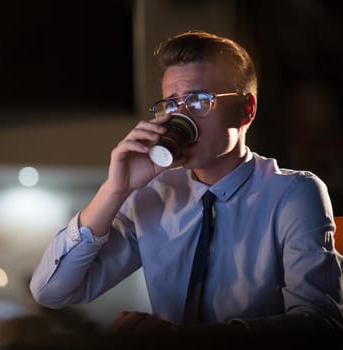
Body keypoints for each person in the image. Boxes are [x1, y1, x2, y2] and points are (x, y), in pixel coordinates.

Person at [29, 30, 343, 337]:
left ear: (246, 111)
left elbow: (321, 324)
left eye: (198, 102)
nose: (182, 118)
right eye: (171, 104)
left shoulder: (293, 194)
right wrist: (115, 190)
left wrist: (183, 339)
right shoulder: (153, 195)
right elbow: (51, 292)